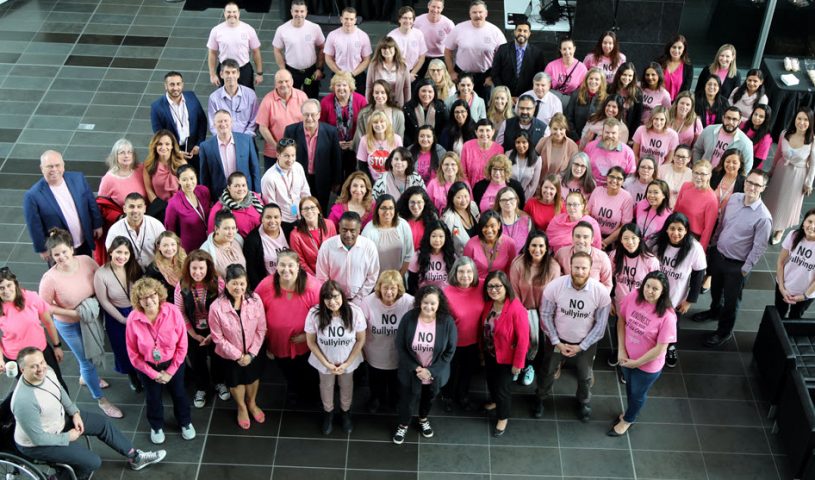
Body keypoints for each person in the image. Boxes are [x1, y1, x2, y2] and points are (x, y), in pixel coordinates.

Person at [11, 347, 166, 479]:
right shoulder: (24, 401)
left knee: (102, 424)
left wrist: (75, 413)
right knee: (92, 462)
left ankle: (136, 457)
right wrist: (67, 437)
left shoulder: (48, 371)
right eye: (33, 366)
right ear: (22, 369)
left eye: (42, 362)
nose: (40, 368)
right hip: (39, 444)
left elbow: (60, 393)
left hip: (59, 421)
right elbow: (38, 438)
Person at [695, 170, 772, 348]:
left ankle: (724, 332)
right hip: (720, 255)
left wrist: (745, 269)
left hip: (737, 266)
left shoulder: (763, 217)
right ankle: (714, 312)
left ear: (763, 188)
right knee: (715, 289)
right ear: (744, 183)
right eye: (750, 182)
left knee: (731, 302)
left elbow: (759, 247)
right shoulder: (735, 198)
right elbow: (723, 223)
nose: (752, 187)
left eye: (757, 185)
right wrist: (715, 243)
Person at [537, 251, 611, 421]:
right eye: (576, 267)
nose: (579, 271)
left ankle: (583, 402)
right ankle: (540, 398)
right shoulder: (555, 286)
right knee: (547, 371)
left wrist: (581, 346)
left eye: (584, 268)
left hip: (585, 343)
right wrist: (556, 342)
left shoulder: (600, 292)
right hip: (557, 341)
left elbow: (600, 326)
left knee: (585, 376)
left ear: (590, 269)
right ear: (570, 266)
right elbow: (546, 315)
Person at [126, 277, 195, 444]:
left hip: (174, 363)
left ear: (159, 294)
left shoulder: (173, 312)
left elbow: (182, 346)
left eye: (152, 295)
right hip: (148, 367)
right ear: (138, 300)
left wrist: (170, 371)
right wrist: (153, 374)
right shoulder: (133, 319)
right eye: (144, 297)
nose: (149, 300)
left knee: (179, 394)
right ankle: (156, 426)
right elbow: (133, 354)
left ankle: (185, 422)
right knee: (153, 397)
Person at [609, 271, 677, 436]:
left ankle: (629, 419)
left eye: (655, 289)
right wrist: (621, 350)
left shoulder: (667, 316)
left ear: (663, 292)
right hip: (627, 358)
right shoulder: (633, 296)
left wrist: (636, 363)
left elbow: (661, 348)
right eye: (647, 286)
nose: (649, 291)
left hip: (647, 367)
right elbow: (621, 321)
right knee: (630, 389)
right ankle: (629, 411)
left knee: (637, 394)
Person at [392, 285, 457, 444]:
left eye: (433, 303)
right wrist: (416, 368)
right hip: (411, 371)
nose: (429, 306)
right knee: (407, 400)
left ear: (439, 304)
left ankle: (423, 418)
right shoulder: (409, 318)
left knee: (428, 398)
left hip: (434, 374)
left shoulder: (447, 322)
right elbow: (400, 345)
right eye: (425, 302)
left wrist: (431, 371)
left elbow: (450, 351)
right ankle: (403, 424)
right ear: (420, 301)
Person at [255, 250, 320, 405]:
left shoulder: (313, 286)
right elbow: (255, 310)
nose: (286, 269)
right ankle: (293, 390)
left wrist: (307, 336)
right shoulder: (266, 285)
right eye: (282, 265)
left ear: (298, 266)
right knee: (287, 370)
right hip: (278, 342)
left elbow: (323, 315)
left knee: (308, 371)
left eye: (290, 265)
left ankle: (313, 395)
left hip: (306, 343)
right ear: (276, 267)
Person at [208, 264, 267, 430]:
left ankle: (252, 403)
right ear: (226, 283)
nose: (239, 287)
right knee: (236, 382)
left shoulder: (255, 300)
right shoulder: (216, 307)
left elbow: (261, 328)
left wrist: (252, 354)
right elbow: (217, 338)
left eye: (242, 283)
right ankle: (241, 407)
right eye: (234, 283)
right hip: (230, 355)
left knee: (253, 377)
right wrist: (238, 356)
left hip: (253, 352)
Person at [305, 280, 367, 434]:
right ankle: (328, 413)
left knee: (347, 386)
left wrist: (347, 363)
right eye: (327, 298)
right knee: (326, 386)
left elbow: (361, 339)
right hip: (325, 361)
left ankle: (345, 413)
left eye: (335, 297)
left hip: (348, 360)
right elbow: (311, 342)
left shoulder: (355, 312)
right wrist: (326, 363)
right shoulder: (315, 314)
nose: (332, 302)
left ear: (342, 295)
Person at [173, 250, 229, 409]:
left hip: (216, 329)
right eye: (194, 269)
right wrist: (194, 334)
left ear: (208, 268)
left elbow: (223, 309)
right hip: (192, 330)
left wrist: (213, 333)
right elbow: (180, 312)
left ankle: (219, 382)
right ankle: (202, 387)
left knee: (218, 357)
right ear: (188, 269)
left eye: (201, 268)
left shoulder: (218, 282)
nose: (198, 272)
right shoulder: (182, 285)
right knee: (197, 361)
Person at [24, 150, 103, 261]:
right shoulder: (33, 195)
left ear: (63, 165)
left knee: (85, 270)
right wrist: (42, 248)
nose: (54, 169)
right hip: (59, 250)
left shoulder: (78, 179)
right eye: (49, 166)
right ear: (42, 168)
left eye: (57, 165)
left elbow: (91, 201)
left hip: (83, 242)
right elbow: (34, 226)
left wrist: (97, 224)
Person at [509, 231, 561, 390]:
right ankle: (522, 364)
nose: (537, 249)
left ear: (546, 248)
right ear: (527, 246)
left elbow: (555, 294)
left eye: (541, 246)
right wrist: (521, 313)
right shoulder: (518, 264)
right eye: (533, 245)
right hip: (523, 309)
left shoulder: (553, 267)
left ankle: (534, 366)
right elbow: (513, 291)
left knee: (542, 342)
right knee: (524, 338)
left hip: (545, 312)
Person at [653, 212, 706, 366]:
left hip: (676, 295)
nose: (675, 233)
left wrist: (689, 300)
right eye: (672, 229)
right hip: (655, 292)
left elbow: (698, 274)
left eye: (680, 229)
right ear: (666, 229)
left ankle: (670, 346)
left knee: (672, 323)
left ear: (686, 230)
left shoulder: (694, 248)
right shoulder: (658, 242)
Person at [480, 270, 529, 435]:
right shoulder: (489, 304)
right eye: (490, 286)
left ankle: (503, 417)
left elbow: (523, 339)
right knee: (492, 382)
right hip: (490, 353)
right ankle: (494, 402)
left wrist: (518, 364)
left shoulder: (516, 308)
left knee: (503, 389)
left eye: (498, 286)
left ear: (506, 286)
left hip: (507, 358)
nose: (494, 289)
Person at [0, 268, 66, 389]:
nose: (6, 291)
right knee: (32, 389)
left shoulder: (31, 297)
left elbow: (48, 322)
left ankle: (67, 408)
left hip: (40, 351)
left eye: (8, 285)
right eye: (1, 288)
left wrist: (57, 346)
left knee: (57, 383)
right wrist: (0, 360)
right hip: (15, 357)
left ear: (15, 284)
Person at [607, 224, 660, 369]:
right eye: (625, 238)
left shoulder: (650, 260)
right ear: (621, 240)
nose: (629, 242)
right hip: (620, 302)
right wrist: (610, 301)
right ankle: (618, 350)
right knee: (619, 326)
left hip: (641, 305)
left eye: (633, 238)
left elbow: (656, 285)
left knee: (635, 332)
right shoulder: (614, 255)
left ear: (640, 239)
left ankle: (632, 357)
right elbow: (609, 280)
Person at [94, 237, 143, 392]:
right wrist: (122, 319)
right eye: (118, 252)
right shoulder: (101, 274)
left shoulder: (135, 268)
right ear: (110, 252)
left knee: (142, 345)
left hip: (138, 310)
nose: (122, 256)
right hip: (117, 315)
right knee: (123, 348)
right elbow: (104, 301)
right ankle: (132, 375)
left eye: (126, 253)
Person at [360, 271, 414, 412]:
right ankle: (375, 399)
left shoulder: (409, 302)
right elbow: (360, 329)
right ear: (379, 287)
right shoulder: (367, 302)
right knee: (375, 381)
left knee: (395, 382)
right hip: (374, 352)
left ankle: (395, 400)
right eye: (385, 288)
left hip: (398, 353)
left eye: (393, 288)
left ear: (399, 289)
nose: (389, 292)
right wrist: (361, 350)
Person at [763, 107, 815, 244]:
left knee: (788, 203)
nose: (802, 122)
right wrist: (772, 171)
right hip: (781, 171)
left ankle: (780, 229)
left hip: (797, 176)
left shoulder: (812, 141)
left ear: (810, 122)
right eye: (799, 118)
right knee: (774, 197)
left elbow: (813, 165)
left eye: (805, 120)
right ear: (795, 119)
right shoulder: (784, 134)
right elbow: (778, 155)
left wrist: (808, 183)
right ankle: (767, 222)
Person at [439, 257, 484, 411]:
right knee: (450, 372)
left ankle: (462, 396)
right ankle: (447, 396)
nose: (465, 275)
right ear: (455, 273)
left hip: (474, 342)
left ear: (475, 273)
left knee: (467, 371)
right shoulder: (446, 292)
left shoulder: (482, 286)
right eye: (461, 271)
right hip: (452, 342)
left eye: (469, 271)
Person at [283, 99, 342, 213]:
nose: (309, 118)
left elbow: (336, 158)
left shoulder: (331, 132)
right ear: (302, 115)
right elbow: (284, 156)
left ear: (319, 115)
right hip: (298, 179)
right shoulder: (291, 131)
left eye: (313, 114)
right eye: (306, 114)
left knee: (320, 210)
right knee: (298, 210)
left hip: (322, 179)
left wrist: (337, 181)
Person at [443, 0, 506, 100]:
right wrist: (451, 71)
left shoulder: (495, 31)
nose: (478, 15)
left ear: (486, 13)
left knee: (483, 105)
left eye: (480, 12)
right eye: (474, 12)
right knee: (460, 105)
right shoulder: (459, 28)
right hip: (462, 74)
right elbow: (447, 51)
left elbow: (503, 57)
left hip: (486, 76)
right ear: (470, 14)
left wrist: (492, 77)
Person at [317, 211, 380, 303]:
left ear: (359, 229)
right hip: (333, 299)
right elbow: (322, 276)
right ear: (339, 228)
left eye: (352, 230)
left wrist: (359, 298)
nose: (348, 235)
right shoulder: (327, 246)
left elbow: (372, 275)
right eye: (344, 230)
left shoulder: (369, 247)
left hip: (362, 300)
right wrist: (333, 297)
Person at [198, 109, 261, 202]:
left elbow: (255, 168)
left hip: (245, 192)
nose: (223, 124)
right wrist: (207, 198)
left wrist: (258, 192)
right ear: (214, 124)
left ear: (231, 123)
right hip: (219, 195)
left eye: (226, 121)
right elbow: (204, 176)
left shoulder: (246, 140)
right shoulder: (205, 146)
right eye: (219, 121)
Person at [149, 72, 207, 171]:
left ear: (182, 84)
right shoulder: (157, 107)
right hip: (174, 151)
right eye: (172, 84)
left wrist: (199, 144)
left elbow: (202, 121)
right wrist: (176, 152)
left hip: (193, 149)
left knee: (199, 177)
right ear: (165, 86)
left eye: (178, 84)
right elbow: (159, 134)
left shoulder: (191, 97)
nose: (176, 88)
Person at [272, 0, 325, 98]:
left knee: (312, 97)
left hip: (311, 71)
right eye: (296, 11)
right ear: (291, 12)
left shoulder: (314, 28)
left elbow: (322, 48)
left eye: (302, 11)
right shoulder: (282, 29)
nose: (299, 14)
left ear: (306, 12)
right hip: (291, 71)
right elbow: (277, 50)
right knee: (290, 98)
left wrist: (319, 69)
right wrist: (283, 70)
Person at [320, 71, 368, 179]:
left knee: (352, 176)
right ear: (333, 87)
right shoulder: (325, 102)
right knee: (337, 176)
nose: (341, 88)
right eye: (338, 85)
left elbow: (366, 127)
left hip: (356, 146)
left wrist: (354, 142)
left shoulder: (361, 100)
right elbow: (322, 127)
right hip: (334, 146)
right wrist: (335, 143)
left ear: (350, 87)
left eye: (344, 85)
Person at [256, 69, 308, 169]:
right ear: (275, 84)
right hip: (274, 154)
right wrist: (277, 148)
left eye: (286, 81)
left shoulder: (302, 97)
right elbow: (262, 127)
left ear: (292, 82)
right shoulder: (268, 100)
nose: (284, 84)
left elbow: (307, 122)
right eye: (280, 82)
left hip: (297, 152)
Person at [206, 2, 263, 89]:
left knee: (247, 97)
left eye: (234, 12)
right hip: (225, 70)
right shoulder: (216, 30)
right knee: (225, 97)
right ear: (224, 13)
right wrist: (212, 74)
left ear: (238, 13)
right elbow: (212, 53)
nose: (231, 14)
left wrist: (259, 73)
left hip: (244, 70)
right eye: (229, 12)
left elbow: (256, 51)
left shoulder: (248, 29)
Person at [260, 138, 311, 235]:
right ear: (278, 155)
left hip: (301, 217)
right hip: (283, 222)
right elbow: (271, 207)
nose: (290, 160)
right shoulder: (269, 178)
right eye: (286, 156)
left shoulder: (298, 167)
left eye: (293, 155)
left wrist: (307, 212)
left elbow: (305, 192)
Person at [106, 193, 166, 270]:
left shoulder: (156, 225)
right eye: (131, 206)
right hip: (126, 270)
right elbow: (111, 255)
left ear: (144, 209)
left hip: (154, 270)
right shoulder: (115, 230)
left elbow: (165, 249)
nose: (135, 210)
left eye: (139, 206)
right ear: (124, 209)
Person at [775, 209, 815, 319]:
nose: (812, 226)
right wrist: (782, 288)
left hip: (805, 294)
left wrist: (804, 296)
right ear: (804, 223)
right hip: (784, 285)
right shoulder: (793, 235)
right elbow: (780, 262)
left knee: (795, 317)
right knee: (778, 315)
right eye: (810, 221)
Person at [490, 20, 544, 98]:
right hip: (504, 96)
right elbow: (495, 73)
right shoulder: (503, 49)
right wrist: (505, 93)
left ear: (529, 34)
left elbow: (538, 76)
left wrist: (526, 95)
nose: (521, 33)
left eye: (525, 31)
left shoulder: (537, 53)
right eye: (519, 30)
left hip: (528, 96)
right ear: (515, 32)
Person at [362, 194, 415, 273]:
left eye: (391, 208)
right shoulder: (368, 231)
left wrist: (400, 277)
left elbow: (409, 255)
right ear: (377, 210)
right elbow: (365, 261)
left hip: (399, 276)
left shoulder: (403, 225)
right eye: (383, 208)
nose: (387, 212)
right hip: (376, 279)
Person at [164, 165, 211, 253]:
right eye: (184, 180)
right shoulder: (173, 203)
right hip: (190, 248)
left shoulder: (204, 191)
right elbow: (170, 230)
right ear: (179, 181)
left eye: (192, 178)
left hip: (209, 242)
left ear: (196, 177)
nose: (189, 182)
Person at [674, 159, 719, 250]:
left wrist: (700, 252)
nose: (698, 177)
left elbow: (708, 230)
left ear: (709, 176)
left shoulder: (712, 199)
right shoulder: (685, 186)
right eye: (696, 173)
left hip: (692, 238)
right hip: (676, 230)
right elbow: (676, 209)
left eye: (702, 174)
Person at [553, 221, 613, 289]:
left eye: (585, 237)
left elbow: (607, 284)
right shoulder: (561, 253)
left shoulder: (602, 258)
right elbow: (555, 277)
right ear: (572, 238)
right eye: (578, 236)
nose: (581, 240)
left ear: (592, 239)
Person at [324, 7, 372, 89]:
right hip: (338, 74)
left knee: (359, 101)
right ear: (341, 19)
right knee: (338, 101)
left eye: (351, 19)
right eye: (346, 18)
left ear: (355, 20)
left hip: (357, 75)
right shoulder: (332, 35)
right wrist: (339, 72)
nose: (348, 22)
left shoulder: (363, 36)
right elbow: (328, 57)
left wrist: (353, 74)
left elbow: (366, 59)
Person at [207, 58, 259, 136]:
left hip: (246, 139)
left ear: (238, 74)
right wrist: (227, 140)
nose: (230, 76)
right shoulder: (213, 98)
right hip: (223, 140)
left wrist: (243, 139)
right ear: (221, 74)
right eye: (227, 73)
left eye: (233, 72)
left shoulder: (250, 95)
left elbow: (254, 121)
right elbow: (213, 125)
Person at [243, 204, 289, 289]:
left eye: (276, 217)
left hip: (291, 281)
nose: (272, 221)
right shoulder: (252, 240)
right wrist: (260, 291)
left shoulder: (288, 230)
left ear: (281, 218)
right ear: (262, 219)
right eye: (268, 217)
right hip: (268, 286)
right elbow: (251, 270)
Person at [463, 210, 517, 281]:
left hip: (500, 287)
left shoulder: (510, 243)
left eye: (492, 226)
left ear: (499, 225)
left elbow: (511, 270)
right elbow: (466, 271)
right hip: (477, 285)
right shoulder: (471, 245)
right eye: (485, 226)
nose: (489, 230)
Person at [289, 196, 337, 276]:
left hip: (333, 271)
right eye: (305, 209)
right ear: (301, 213)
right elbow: (299, 261)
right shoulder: (295, 235)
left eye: (312, 207)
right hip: (311, 276)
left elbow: (336, 250)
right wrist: (315, 277)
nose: (309, 211)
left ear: (318, 210)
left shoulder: (329, 224)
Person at [207, 171, 263, 239]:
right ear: (229, 187)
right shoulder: (219, 209)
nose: (241, 189)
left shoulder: (255, 197)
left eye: (243, 185)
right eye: (236, 186)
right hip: (237, 246)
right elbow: (212, 236)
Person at [356, 79, 407, 151]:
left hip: (391, 154)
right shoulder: (364, 113)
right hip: (369, 153)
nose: (380, 96)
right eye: (376, 93)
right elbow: (359, 137)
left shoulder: (398, 114)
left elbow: (400, 137)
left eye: (383, 92)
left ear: (388, 94)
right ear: (372, 94)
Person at [583, 118, 636, 186]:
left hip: (615, 191)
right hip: (591, 188)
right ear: (602, 132)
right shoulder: (590, 147)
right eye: (607, 132)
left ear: (619, 134)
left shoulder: (628, 152)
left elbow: (630, 177)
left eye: (613, 133)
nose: (610, 136)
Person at [98, 139, 147, 209]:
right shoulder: (108, 179)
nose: (126, 155)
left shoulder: (141, 169)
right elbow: (101, 204)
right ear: (115, 156)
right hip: (124, 217)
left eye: (129, 152)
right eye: (122, 153)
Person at [142, 130, 187, 206]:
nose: (163, 147)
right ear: (155, 146)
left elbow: (186, 188)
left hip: (180, 204)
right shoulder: (148, 165)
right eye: (160, 144)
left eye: (167, 144)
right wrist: (160, 208)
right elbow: (149, 190)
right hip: (158, 206)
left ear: (172, 146)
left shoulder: (182, 163)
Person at [408, 220, 455, 292]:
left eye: (441, 236)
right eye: (434, 236)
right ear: (428, 237)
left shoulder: (451, 256)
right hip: (424, 299)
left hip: (445, 297)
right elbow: (412, 283)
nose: (437, 240)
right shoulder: (417, 256)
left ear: (446, 238)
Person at [366, 36, 412, 107]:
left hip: (397, 104)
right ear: (380, 50)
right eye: (384, 48)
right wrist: (369, 104)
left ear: (395, 49)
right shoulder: (373, 65)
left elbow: (407, 87)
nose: (387, 50)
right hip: (379, 104)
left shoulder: (403, 66)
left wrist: (407, 106)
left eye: (390, 48)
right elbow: (369, 87)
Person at [414, 0, 455, 80]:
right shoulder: (417, 21)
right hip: (422, 56)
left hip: (440, 56)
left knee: (440, 82)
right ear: (428, 6)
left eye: (438, 7)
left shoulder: (448, 23)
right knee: (418, 81)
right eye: (433, 6)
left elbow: (455, 41)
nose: (435, 10)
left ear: (442, 9)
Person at [357, 110, 403, 181]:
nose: (379, 125)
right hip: (371, 181)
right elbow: (362, 165)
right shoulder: (364, 140)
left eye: (382, 122)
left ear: (387, 123)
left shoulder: (396, 139)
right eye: (375, 122)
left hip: (392, 180)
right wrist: (370, 183)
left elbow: (400, 163)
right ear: (371, 125)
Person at [201, 210, 246, 278]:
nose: (231, 232)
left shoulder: (238, 239)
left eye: (233, 228)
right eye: (226, 228)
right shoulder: (206, 250)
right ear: (216, 229)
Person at [565, 68, 607, 141]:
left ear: (601, 82)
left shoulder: (606, 99)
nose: (593, 81)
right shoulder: (576, 94)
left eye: (597, 79)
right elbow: (568, 118)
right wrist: (576, 139)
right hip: (574, 139)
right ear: (586, 80)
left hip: (595, 141)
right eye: (591, 78)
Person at [403, 78, 448, 146]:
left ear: (434, 93)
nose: (426, 94)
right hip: (413, 146)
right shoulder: (408, 108)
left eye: (430, 91)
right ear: (418, 91)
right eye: (423, 91)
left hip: (435, 146)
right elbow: (405, 132)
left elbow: (445, 131)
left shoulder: (441, 108)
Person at [388, 6, 428, 81]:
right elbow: (388, 60)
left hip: (414, 72)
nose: (408, 21)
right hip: (396, 73)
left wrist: (412, 74)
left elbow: (422, 57)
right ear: (399, 19)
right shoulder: (391, 37)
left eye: (410, 18)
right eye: (405, 18)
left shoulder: (418, 34)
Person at [441, 181, 480, 256]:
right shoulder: (449, 217)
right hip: (461, 259)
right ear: (452, 198)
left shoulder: (473, 206)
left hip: (479, 256)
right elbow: (446, 243)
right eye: (459, 197)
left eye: (466, 196)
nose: (463, 200)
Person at [460, 119, 503, 186]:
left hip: (490, 191)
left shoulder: (499, 149)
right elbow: (462, 173)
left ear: (493, 132)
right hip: (470, 189)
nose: (484, 134)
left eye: (487, 130)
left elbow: (500, 174)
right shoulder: (467, 146)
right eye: (481, 130)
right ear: (476, 132)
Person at [537, 113, 578, 178]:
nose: (558, 133)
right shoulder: (542, 141)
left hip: (560, 184)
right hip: (540, 182)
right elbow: (533, 162)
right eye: (555, 129)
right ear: (550, 128)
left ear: (565, 129)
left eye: (561, 129)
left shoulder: (572, 146)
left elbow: (572, 169)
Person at [493, 187, 532, 256]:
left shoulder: (527, 221)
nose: (508, 202)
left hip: (520, 261)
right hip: (498, 261)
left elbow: (530, 245)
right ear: (499, 202)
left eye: (511, 199)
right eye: (504, 200)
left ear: (516, 200)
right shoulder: (493, 221)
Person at [398, 186, 439, 250]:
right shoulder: (400, 219)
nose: (416, 206)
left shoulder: (432, 217)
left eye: (419, 202)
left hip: (425, 256)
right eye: (412, 202)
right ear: (407, 203)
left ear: (424, 203)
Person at [608, 62, 643, 135]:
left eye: (630, 76)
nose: (627, 78)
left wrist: (631, 136)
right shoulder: (610, 88)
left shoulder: (637, 93)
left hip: (626, 131)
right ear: (619, 74)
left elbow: (637, 117)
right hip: (609, 128)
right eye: (624, 75)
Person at [634, 179, 672, 245]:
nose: (651, 195)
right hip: (635, 245)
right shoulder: (641, 204)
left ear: (664, 195)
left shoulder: (669, 216)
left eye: (655, 192)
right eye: (649, 192)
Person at [657, 34, 693, 101]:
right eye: (674, 47)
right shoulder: (659, 62)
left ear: (684, 49)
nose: (676, 50)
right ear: (669, 48)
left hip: (675, 104)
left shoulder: (688, 67)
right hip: (657, 101)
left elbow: (685, 89)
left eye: (679, 48)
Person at [507, 130, 541, 200]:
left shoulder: (537, 159)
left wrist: (522, 200)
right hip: (508, 196)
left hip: (526, 198)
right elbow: (505, 179)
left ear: (529, 143)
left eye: (524, 142)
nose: (521, 145)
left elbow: (533, 185)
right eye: (518, 142)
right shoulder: (508, 155)